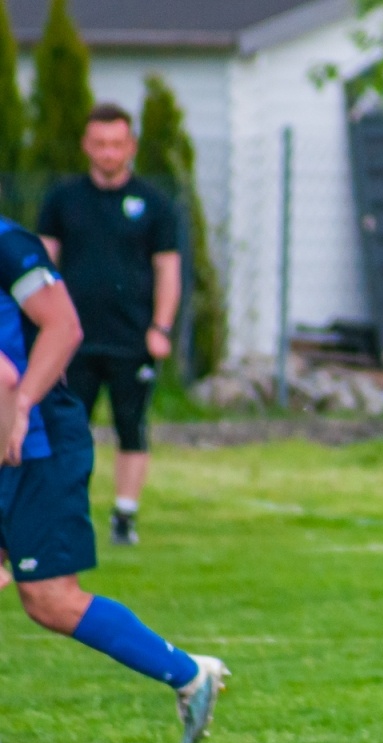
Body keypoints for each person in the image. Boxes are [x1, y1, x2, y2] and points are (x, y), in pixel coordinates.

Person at [0, 211, 226, 743]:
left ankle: (190, 674)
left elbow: (62, 330)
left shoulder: (9, 246)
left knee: (52, 599)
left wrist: (24, 404)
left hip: (37, 446)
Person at [37, 101, 182, 547]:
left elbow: (168, 271)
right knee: (65, 429)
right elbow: (41, 267)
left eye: (116, 144)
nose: (108, 152)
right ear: (86, 145)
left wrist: (160, 328)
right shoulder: (63, 200)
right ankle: (64, 511)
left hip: (130, 338)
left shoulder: (155, 205)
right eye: (99, 144)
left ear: (130, 146)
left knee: (131, 426)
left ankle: (125, 515)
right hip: (71, 340)